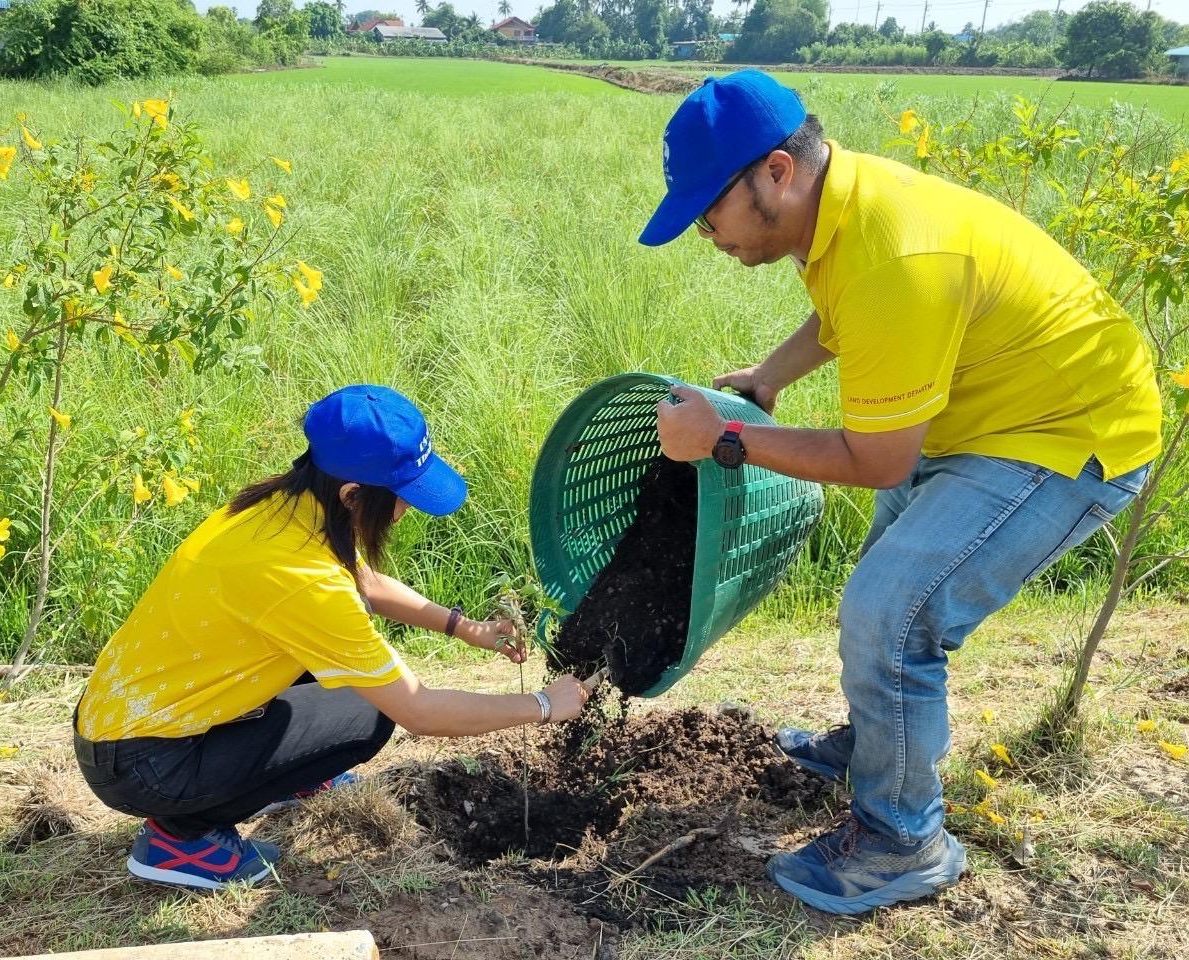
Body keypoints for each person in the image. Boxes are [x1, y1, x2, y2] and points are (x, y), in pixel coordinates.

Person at [644, 71, 1161, 914]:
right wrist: (770, 378)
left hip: (1067, 434)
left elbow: (876, 459)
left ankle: (901, 841)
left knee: (893, 613)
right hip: (978, 410)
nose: (705, 230)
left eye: (709, 207)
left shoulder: (894, 249)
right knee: (886, 585)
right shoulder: (839, 211)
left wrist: (726, 438)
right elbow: (846, 313)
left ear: (777, 171)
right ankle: (880, 745)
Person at [74, 385, 592, 891]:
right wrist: (545, 703)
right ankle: (179, 838)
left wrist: (464, 627)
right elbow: (420, 711)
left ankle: (286, 771)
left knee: (347, 685)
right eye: (400, 498)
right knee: (370, 713)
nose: (404, 511)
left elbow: (363, 580)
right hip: (146, 765)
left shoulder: (278, 510)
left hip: (131, 718)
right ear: (353, 495)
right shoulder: (300, 581)